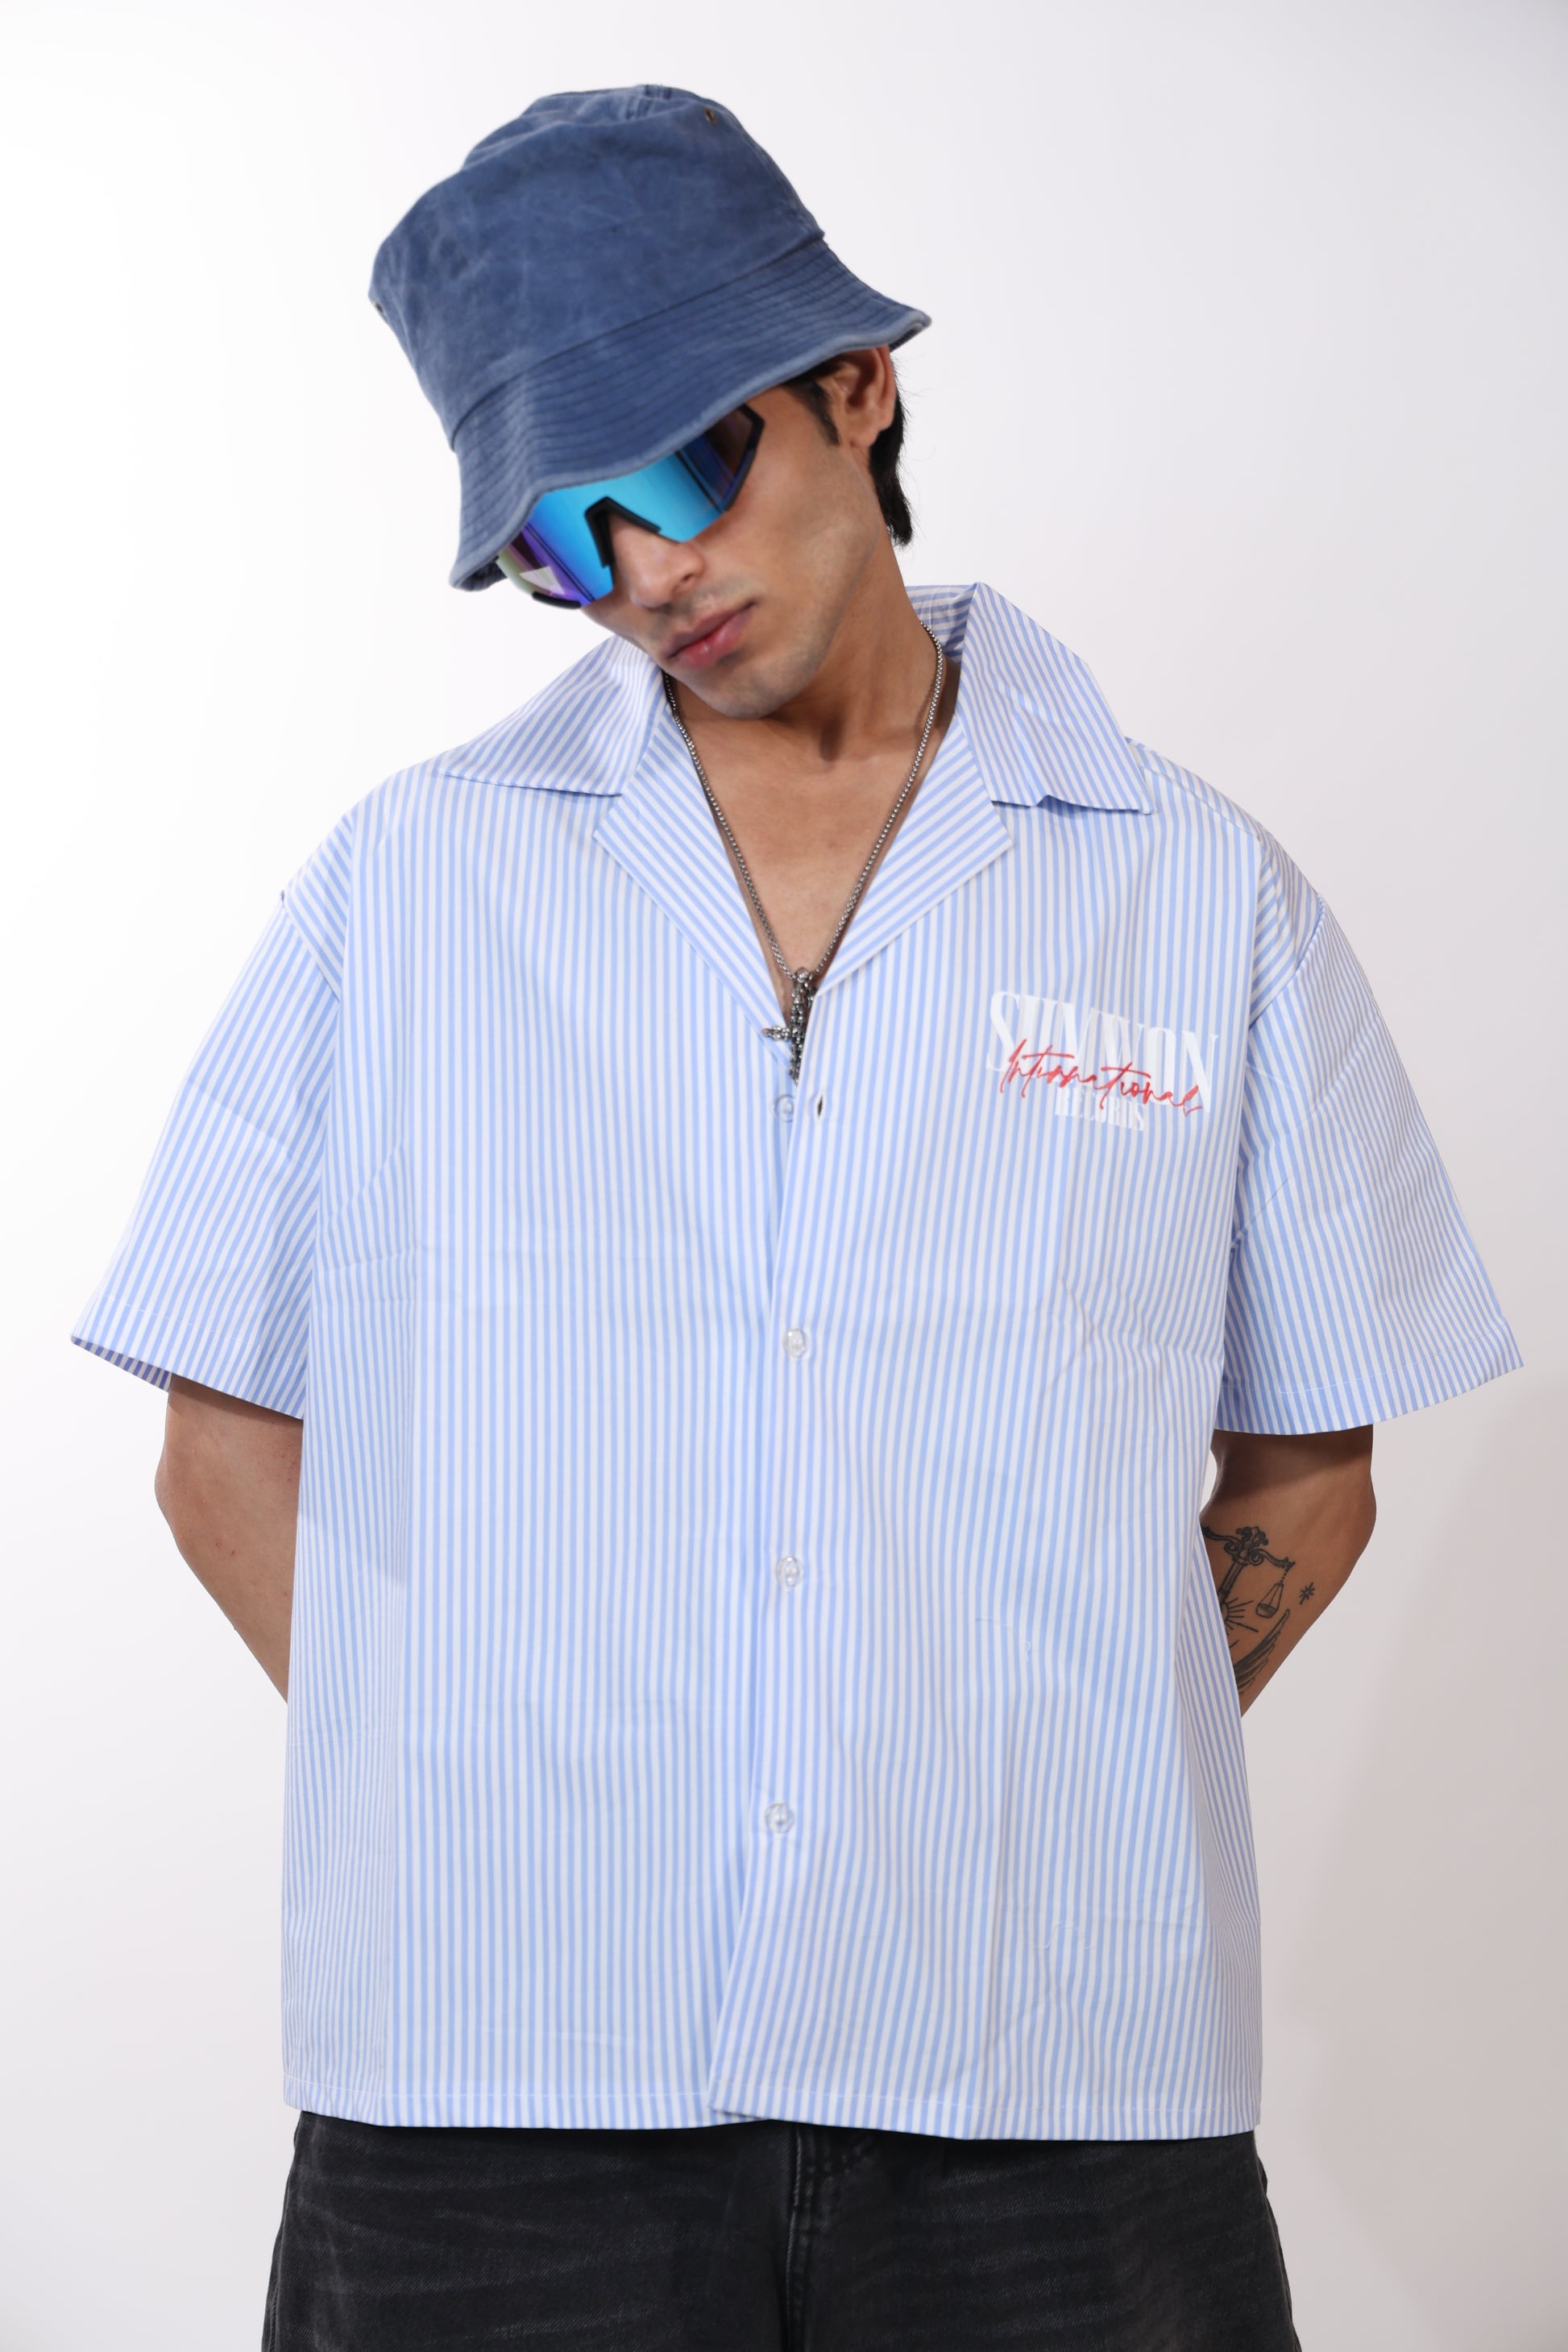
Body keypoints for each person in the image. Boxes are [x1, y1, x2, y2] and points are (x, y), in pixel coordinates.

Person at [74, 86, 1520, 2351]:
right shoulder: (410, 888)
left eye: (681, 470)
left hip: (1054, 2084)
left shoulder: (1192, 893)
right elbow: (222, 1444)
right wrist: (488, 1793)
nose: (646, 573)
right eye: (560, 541)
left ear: (856, 388)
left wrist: (1027, 1779)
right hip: (493, 2093)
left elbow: (1309, 1467)